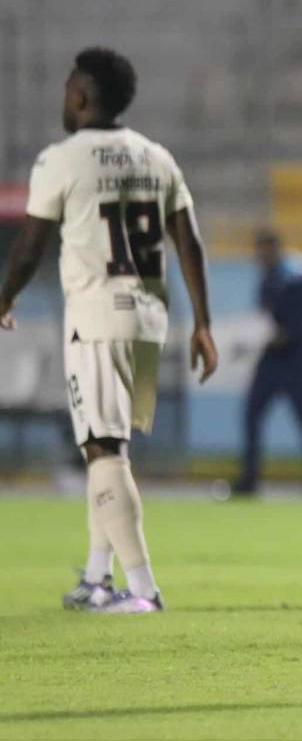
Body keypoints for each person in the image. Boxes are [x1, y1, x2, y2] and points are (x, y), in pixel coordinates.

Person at [0, 47, 218, 613]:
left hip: (96, 318)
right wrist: (203, 324)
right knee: (110, 447)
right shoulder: (156, 156)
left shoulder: (62, 159)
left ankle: (143, 590)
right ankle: (98, 577)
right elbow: (188, 240)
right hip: (149, 318)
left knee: (103, 451)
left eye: (68, 87)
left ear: (80, 94)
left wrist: (4, 297)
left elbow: (29, 249)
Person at [234, 229, 302, 498]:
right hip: (270, 359)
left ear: (275, 248)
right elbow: (263, 318)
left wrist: (285, 334)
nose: (260, 256)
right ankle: (249, 480)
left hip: (294, 359)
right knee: (251, 415)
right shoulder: (267, 278)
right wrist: (251, 341)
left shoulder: (297, 273)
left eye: (263, 250)